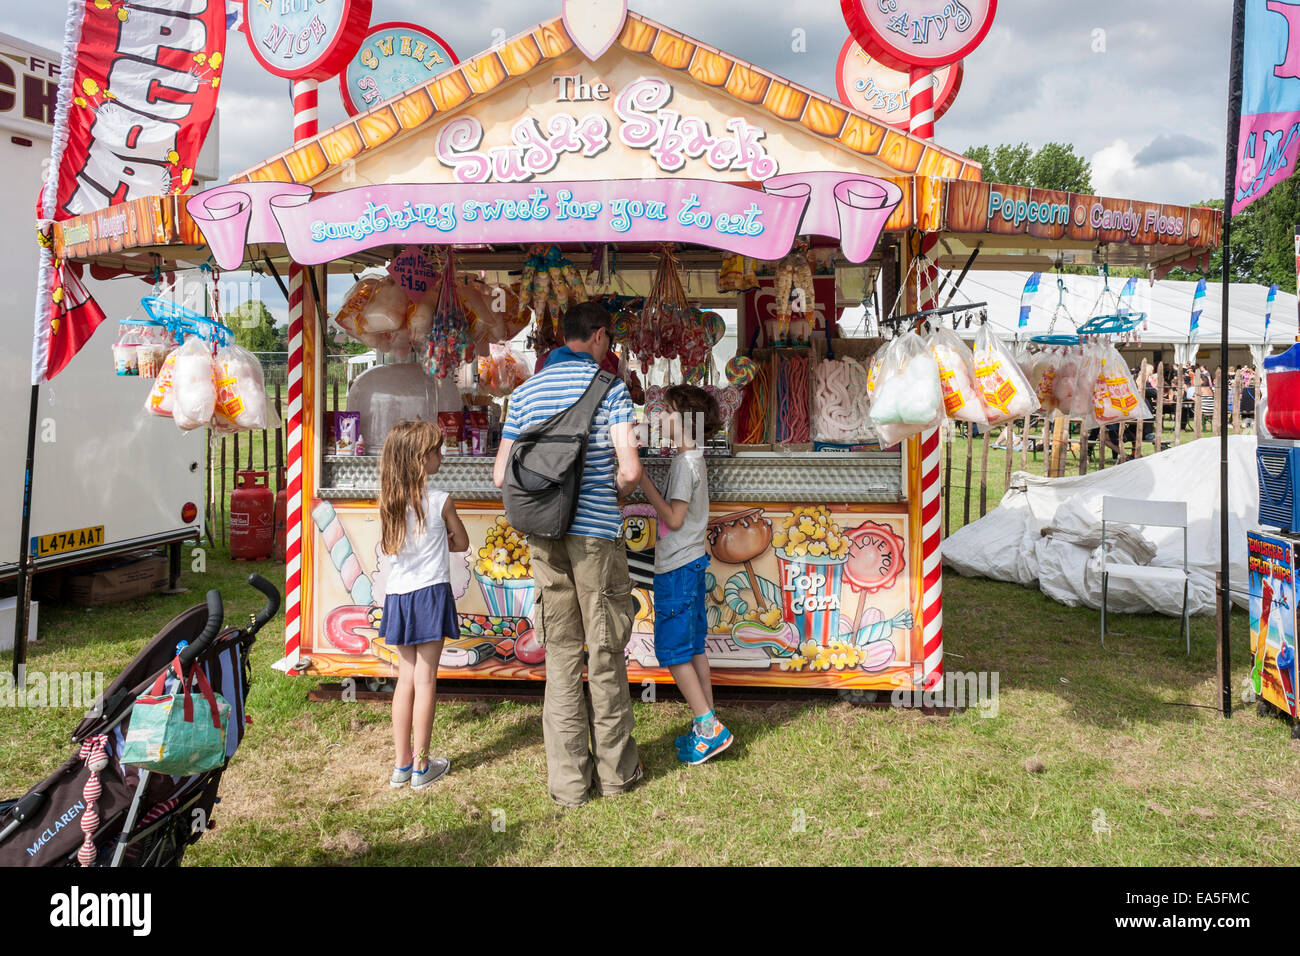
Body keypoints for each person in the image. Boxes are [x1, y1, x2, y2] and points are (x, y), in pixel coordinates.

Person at [493, 301, 644, 808]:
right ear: (599, 337)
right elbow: (628, 469)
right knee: (604, 651)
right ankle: (618, 773)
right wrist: (615, 492)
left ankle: (569, 783)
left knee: (560, 653)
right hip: (596, 537)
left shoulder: (525, 391)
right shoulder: (612, 389)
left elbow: (500, 476)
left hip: (543, 534)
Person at [638, 385, 734, 765]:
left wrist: (643, 479)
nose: (659, 418)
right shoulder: (694, 459)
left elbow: (674, 518)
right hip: (692, 562)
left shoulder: (683, 464)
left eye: (667, 412)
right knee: (694, 647)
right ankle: (705, 725)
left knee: (674, 650)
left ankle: (708, 726)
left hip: (677, 567)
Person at [378, 420, 469, 790]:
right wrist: (440, 540)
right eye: (435, 450)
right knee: (427, 679)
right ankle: (422, 766)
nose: (441, 455)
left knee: (405, 679)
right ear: (419, 459)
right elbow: (461, 542)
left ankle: (400, 766)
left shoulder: (389, 501)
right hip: (431, 595)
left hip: (399, 597)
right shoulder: (441, 500)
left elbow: (390, 546)